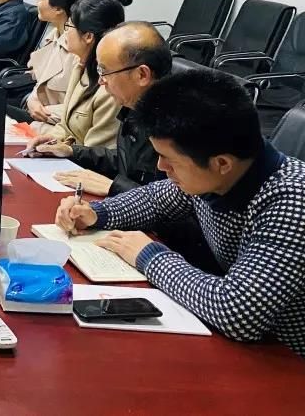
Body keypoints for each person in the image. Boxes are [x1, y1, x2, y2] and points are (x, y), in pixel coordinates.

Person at [56, 69, 305, 356]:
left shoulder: (292, 201)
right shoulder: (216, 174)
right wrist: (95, 213)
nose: (161, 167)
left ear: (222, 163)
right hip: (245, 346)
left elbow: (238, 313)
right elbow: (154, 199)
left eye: (170, 160)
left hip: (286, 359)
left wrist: (151, 257)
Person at [37, 22, 170, 195]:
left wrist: (114, 187)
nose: (101, 81)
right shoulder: (135, 107)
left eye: (105, 72)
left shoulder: (176, 126)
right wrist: (71, 152)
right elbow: (125, 163)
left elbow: (179, 203)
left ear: (142, 75)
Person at [24, 0, 125, 150]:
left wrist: (65, 149)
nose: (66, 33)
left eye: (69, 26)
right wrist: (49, 140)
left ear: (88, 37)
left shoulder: (109, 87)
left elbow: (96, 152)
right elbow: (65, 127)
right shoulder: (81, 68)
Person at [7, 0, 87, 126]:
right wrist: (32, 101)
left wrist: (42, 111)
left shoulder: (78, 48)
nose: (37, 3)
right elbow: (39, 82)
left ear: (58, 8)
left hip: (53, 123)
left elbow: (82, 107)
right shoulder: (54, 35)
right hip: (37, 113)